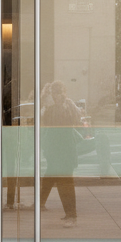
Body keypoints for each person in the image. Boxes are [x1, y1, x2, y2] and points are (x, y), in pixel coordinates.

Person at [39, 81, 81, 226]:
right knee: (59, 181)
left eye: (52, 94)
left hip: (63, 151)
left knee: (65, 183)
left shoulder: (63, 107)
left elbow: (52, 123)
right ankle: (69, 215)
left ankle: (71, 216)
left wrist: (49, 107)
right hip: (58, 151)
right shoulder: (64, 105)